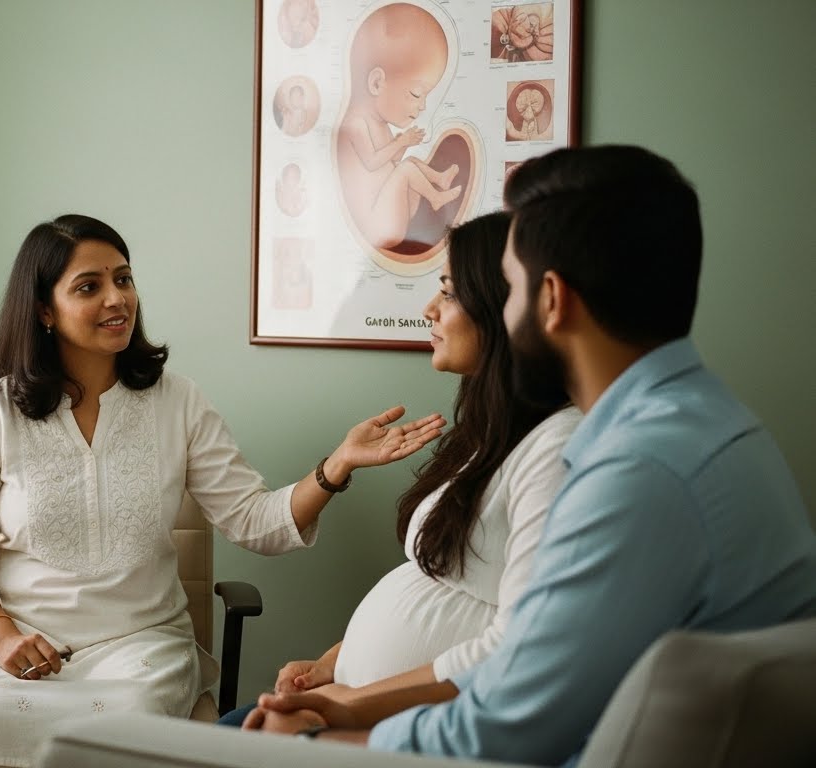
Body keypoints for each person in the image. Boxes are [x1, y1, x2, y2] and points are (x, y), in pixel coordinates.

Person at [249, 145, 816, 765]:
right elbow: (525, 657)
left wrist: (315, 741)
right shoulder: (706, 423)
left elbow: (509, 730)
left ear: (552, 300)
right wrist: (348, 702)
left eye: (510, 286)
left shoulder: (638, 471)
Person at [0, 213, 446, 768]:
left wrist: (336, 466)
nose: (116, 299)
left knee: (127, 723)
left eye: (123, 279)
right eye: (89, 286)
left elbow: (254, 519)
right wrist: (0, 634)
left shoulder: (178, 403)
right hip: (18, 648)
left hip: (139, 650)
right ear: (43, 310)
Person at [220, 211, 581, 727]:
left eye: (449, 292)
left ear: (507, 307)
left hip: (411, 725)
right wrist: (332, 664)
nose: (430, 309)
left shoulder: (557, 450)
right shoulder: (490, 437)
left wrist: (341, 707)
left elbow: (518, 644)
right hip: (357, 700)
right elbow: (433, 582)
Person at [336, 4, 461, 250]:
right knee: (405, 169)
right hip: (379, 225)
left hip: (395, 210)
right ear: (376, 83)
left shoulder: (379, 123)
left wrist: (403, 146)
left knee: (409, 164)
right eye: (416, 94)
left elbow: (388, 165)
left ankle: (439, 180)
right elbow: (372, 163)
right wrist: (401, 142)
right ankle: (435, 197)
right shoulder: (355, 124)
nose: (423, 106)